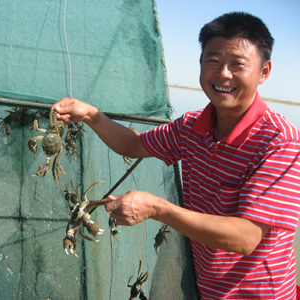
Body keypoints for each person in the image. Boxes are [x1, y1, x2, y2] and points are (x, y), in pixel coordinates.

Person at [52, 12, 300, 299]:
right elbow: (132, 146)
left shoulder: (281, 142)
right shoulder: (191, 126)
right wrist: (91, 115)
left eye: (238, 64)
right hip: (205, 287)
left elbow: (246, 237)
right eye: (214, 61)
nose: (223, 74)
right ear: (201, 64)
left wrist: (159, 208)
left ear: (264, 71)